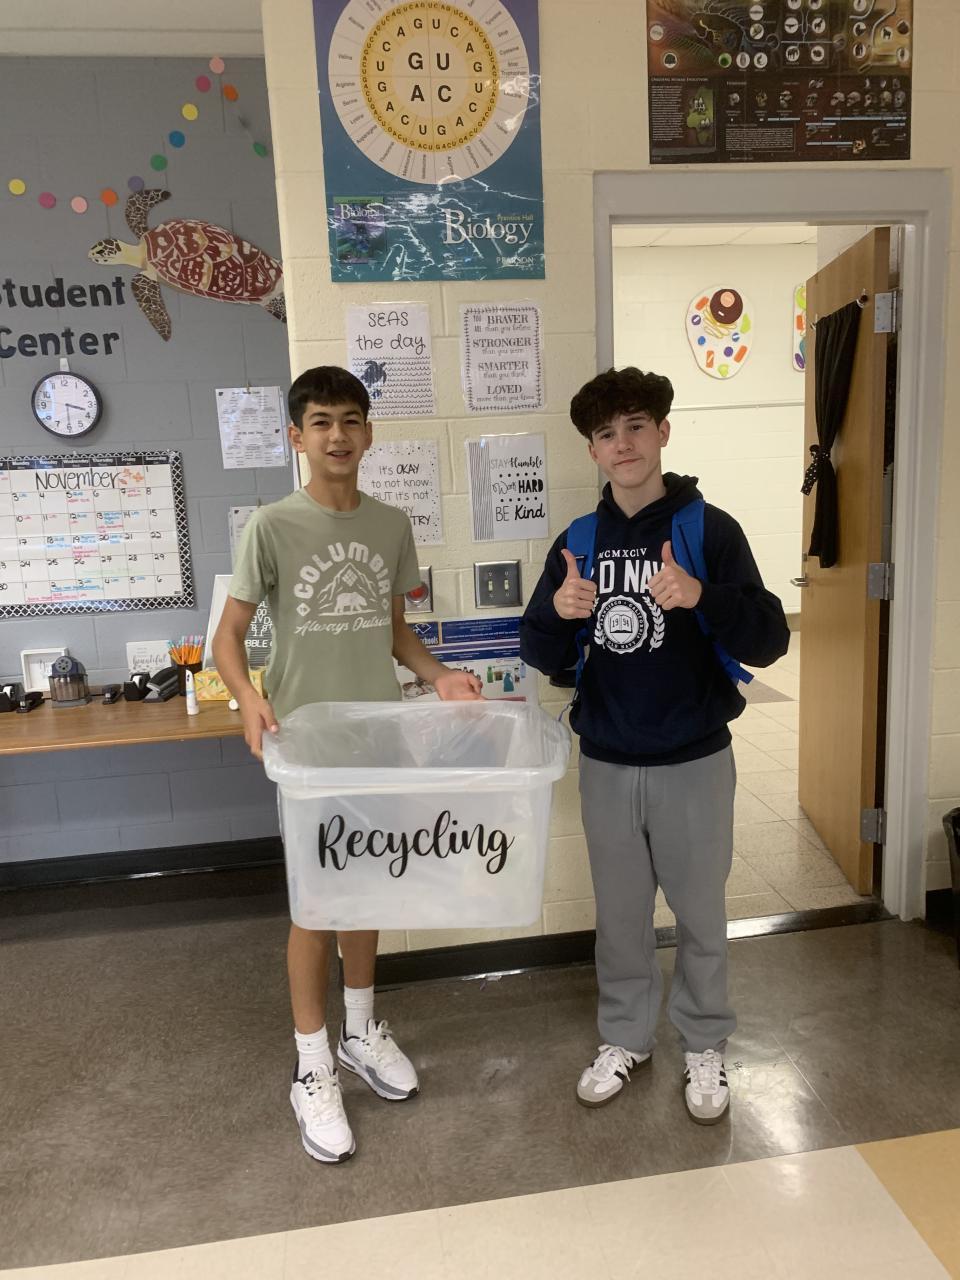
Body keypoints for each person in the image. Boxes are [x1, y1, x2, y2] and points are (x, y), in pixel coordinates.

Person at [213, 366, 482, 1164]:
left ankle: (360, 1031)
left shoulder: (391, 524)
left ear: (369, 434)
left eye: (351, 420)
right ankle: (312, 1066)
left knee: (365, 886)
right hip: (306, 749)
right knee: (314, 904)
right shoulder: (271, 526)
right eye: (322, 421)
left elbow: (392, 629)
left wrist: (439, 676)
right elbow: (229, 636)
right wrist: (246, 697)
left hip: (377, 740)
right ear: (297, 436)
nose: (338, 435)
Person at [519, 367, 789, 1124]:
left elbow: (770, 638)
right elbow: (539, 650)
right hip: (607, 759)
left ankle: (703, 1042)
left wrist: (703, 595)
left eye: (636, 426)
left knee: (700, 913)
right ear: (593, 451)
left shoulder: (709, 530)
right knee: (621, 917)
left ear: (663, 431)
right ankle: (625, 1037)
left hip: (694, 758)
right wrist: (560, 612)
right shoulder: (578, 541)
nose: (623, 444)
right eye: (606, 434)